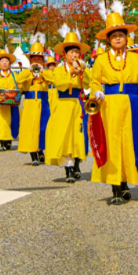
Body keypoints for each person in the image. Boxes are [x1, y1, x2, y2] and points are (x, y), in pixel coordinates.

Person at [89, 3, 138, 206]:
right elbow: (94, 81)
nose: (118, 38)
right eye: (114, 35)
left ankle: (125, 181)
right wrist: (97, 91)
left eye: (121, 35)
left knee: (131, 143)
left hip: (134, 105)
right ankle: (116, 185)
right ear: (108, 39)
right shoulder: (100, 60)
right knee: (113, 144)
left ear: (127, 38)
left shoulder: (135, 59)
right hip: (111, 105)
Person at [46, 30, 91, 183]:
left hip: (78, 104)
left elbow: (88, 83)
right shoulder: (59, 69)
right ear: (65, 54)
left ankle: (77, 162)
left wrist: (82, 72)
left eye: (77, 52)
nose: (75, 55)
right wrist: (70, 73)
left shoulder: (83, 68)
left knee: (78, 135)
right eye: (72, 52)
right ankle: (68, 169)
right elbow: (59, 84)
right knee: (64, 136)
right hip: (63, 104)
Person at [18, 39, 54, 166]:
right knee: (30, 128)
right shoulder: (26, 73)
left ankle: (41, 150)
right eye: (34, 60)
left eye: (39, 60)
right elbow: (19, 80)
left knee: (43, 127)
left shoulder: (46, 73)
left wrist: (43, 72)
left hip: (43, 102)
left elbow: (54, 79)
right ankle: (33, 153)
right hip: (30, 103)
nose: (36, 63)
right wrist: (29, 72)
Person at [0, 49, 24, 151]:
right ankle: (3, 142)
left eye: (7, 61)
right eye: (2, 61)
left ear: (10, 63)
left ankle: (9, 140)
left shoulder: (14, 74)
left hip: (12, 103)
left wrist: (18, 90)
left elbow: (20, 85)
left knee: (11, 122)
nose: (5, 63)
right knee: (1, 123)